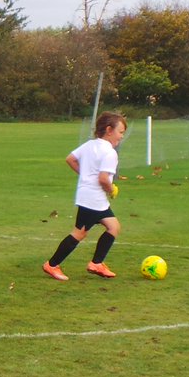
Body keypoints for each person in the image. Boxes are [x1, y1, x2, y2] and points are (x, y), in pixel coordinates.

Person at [42, 112, 128, 281]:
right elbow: (104, 178)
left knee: (113, 227)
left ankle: (97, 263)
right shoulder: (110, 153)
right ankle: (52, 265)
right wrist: (112, 189)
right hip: (93, 200)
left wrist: (85, 175)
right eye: (121, 132)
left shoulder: (90, 145)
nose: (122, 136)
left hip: (91, 197)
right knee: (79, 233)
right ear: (109, 130)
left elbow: (70, 159)